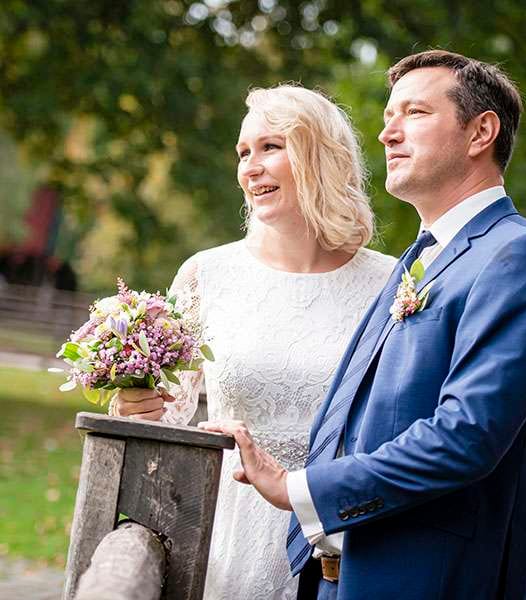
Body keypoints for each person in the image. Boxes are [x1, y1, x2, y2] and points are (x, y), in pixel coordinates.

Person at [202, 50, 526, 599]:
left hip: (431, 581)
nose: (387, 134)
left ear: (481, 132)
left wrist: (298, 488)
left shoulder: (521, 256)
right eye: (387, 117)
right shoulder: (420, 258)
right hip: (341, 577)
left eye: (415, 113)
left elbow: (466, 437)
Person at [112, 85, 396, 599]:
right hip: (224, 536)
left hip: (344, 542)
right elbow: (167, 419)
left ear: (319, 156)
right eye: (244, 152)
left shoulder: (390, 285)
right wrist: (135, 404)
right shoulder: (206, 275)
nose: (251, 167)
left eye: (271, 147)